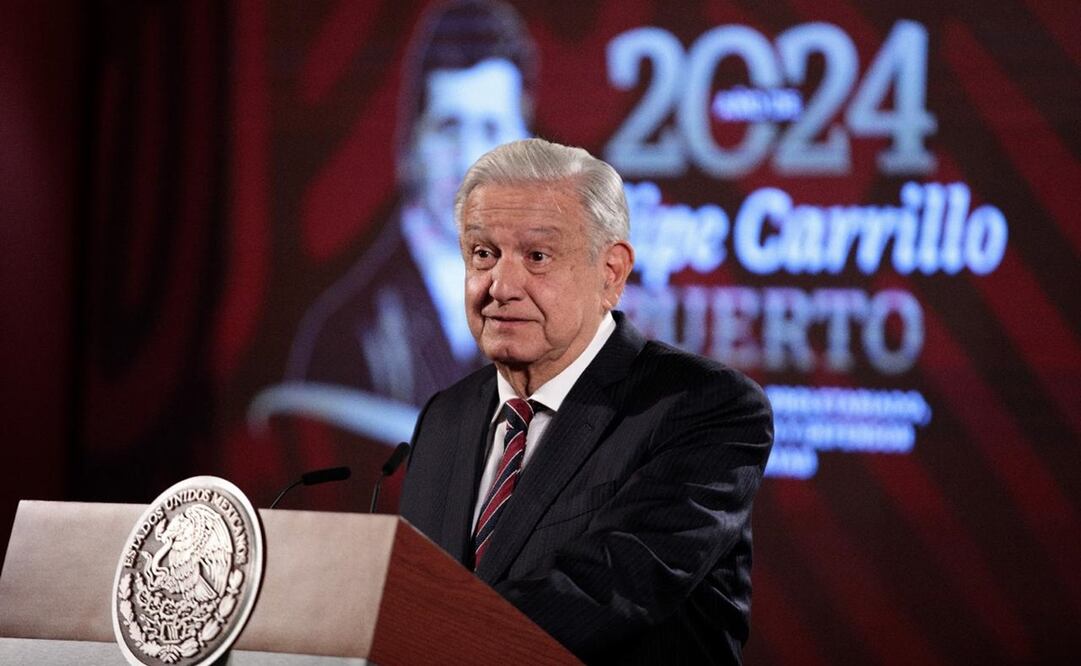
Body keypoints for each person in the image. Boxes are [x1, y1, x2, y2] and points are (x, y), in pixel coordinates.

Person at [400, 138, 774, 664]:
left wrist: (414, 632)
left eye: (537, 256)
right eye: (483, 254)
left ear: (611, 273)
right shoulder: (447, 417)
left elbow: (610, 590)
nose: (501, 285)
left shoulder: (702, 407)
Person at [255, 0, 537, 439]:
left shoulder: (559, 322)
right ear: (408, 146)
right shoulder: (347, 338)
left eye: (489, 130)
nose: (468, 161)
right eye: (448, 127)